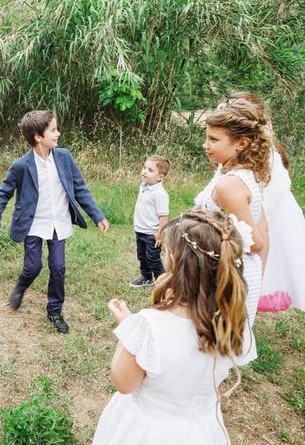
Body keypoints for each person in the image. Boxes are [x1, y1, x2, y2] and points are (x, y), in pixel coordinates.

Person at [93, 210, 248, 444]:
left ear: (175, 262)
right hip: (201, 430)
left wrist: (129, 331)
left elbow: (124, 382)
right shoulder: (232, 321)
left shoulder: (151, 325)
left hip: (145, 430)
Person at [0, 110, 109, 333]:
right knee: (33, 267)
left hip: (58, 222)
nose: (58, 133)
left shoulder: (64, 157)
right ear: (37, 137)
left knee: (58, 267)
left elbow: (79, 188)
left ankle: (55, 310)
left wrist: (97, 215)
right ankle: (20, 287)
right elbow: (3, 193)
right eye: (53, 130)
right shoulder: (21, 165)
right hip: (33, 223)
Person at [194, 98, 271, 365]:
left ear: (242, 143)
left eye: (214, 139)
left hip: (229, 272)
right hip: (229, 267)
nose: (206, 145)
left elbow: (255, 241)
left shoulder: (231, 185)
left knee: (214, 346)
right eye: (207, 137)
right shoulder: (235, 169)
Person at [218, 92, 305, 312]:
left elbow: (278, 184)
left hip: (268, 208)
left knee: (261, 253)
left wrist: (254, 215)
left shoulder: (267, 147)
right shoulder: (238, 142)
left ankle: (249, 295)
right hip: (247, 203)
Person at [130, 155, 170, 288]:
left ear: (160, 177)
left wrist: (160, 233)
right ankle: (146, 277)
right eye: (144, 167)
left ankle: (162, 281)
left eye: (150, 170)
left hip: (152, 233)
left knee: (153, 258)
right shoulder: (144, 186)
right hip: (140, 230)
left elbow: (163, 216)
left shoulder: (160, 194)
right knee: (142, 256)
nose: (145, 171)